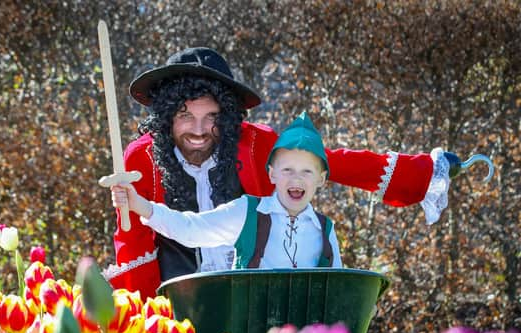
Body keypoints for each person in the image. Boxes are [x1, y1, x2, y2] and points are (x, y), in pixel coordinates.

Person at [102, 47, 451, 298]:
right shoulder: (142, 157)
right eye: (185, 116)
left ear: (227, 116)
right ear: (166, 117)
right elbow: (132, 241)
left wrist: (420, 175)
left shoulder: (254, 144)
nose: (198, 129)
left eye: (211, 117)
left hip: (246, 289)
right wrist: (144, 319)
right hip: (177, 290)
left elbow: (327, 161)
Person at [111, 112, 342, 271]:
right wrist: (140, 205)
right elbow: (191, 229)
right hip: (252, 332)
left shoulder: (325, 230)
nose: (296, 178)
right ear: (271, 174)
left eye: (307, 172)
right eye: (288, 170)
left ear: (321, 180)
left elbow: (338, 287)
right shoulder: (247, 212)